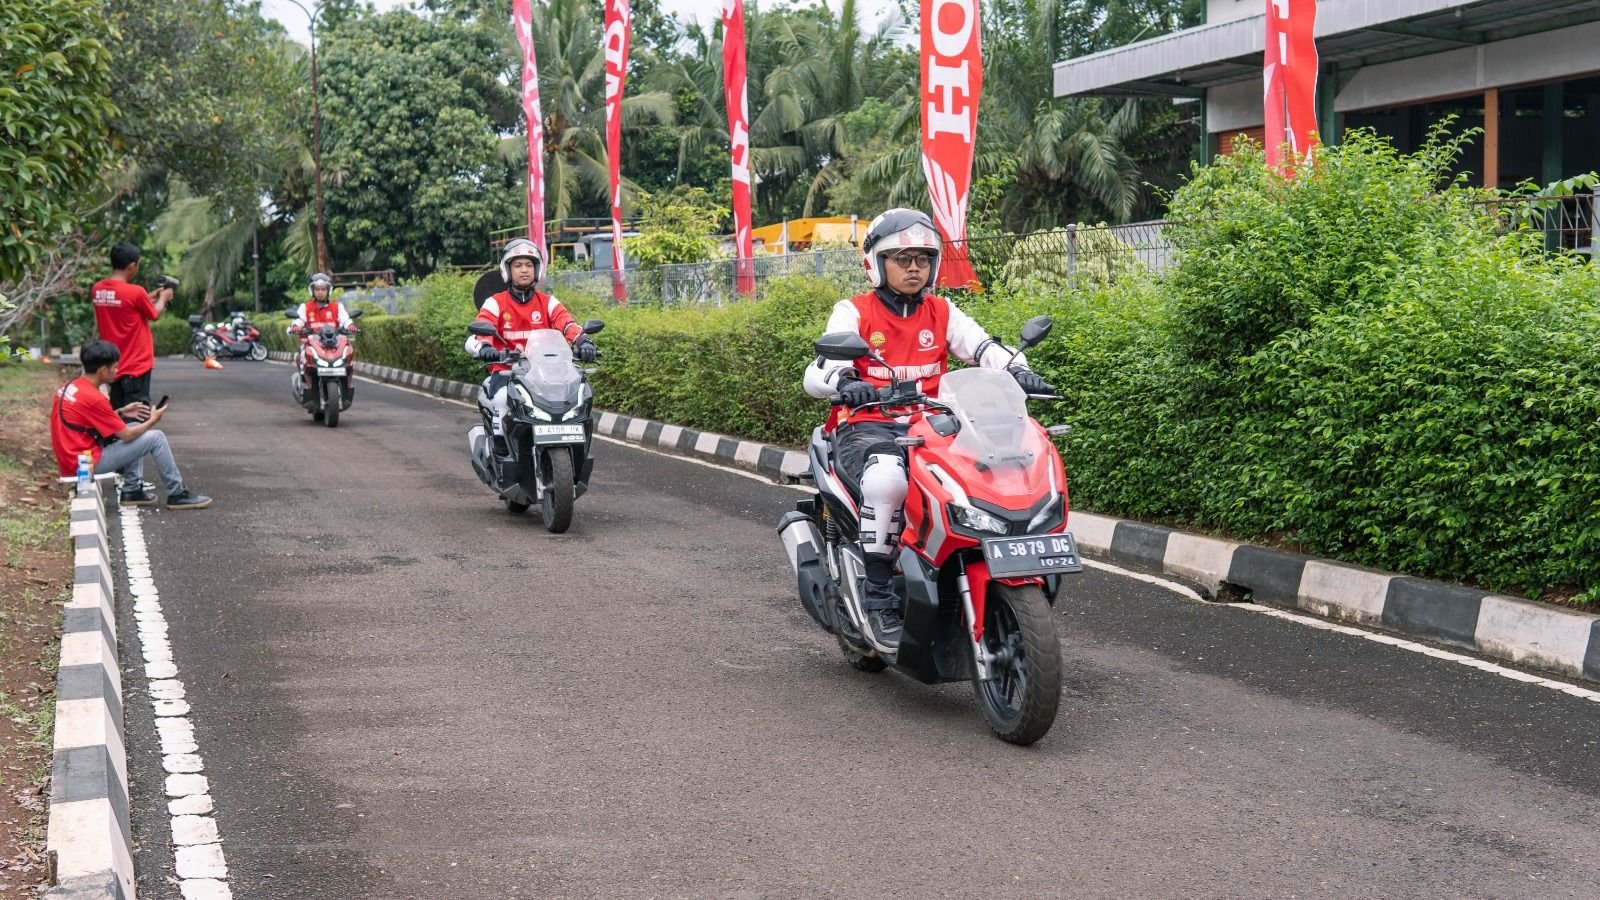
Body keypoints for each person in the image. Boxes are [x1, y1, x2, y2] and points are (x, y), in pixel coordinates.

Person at [802, 209, 1052, 648]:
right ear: (877, 264)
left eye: (922, 257)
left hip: (934, 424)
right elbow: (817, 372)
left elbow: (984, 347)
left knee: (992, 469)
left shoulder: (942, 310)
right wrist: (845, 381)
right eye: (901, 258)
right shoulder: (853, 311)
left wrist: (1019, 371)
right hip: (868, 427)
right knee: (886, 478)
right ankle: (878, 591)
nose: (913, 266)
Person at [464, 239, 598, 453]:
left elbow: (567, 323)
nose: (524, 270)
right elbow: (482, 329)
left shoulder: (548, 302)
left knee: (577, 397)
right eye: (518, 265)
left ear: (537, 269)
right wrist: (486, 348)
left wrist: (583, 341)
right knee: (500, 399)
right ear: (507, 270)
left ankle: (577, 450)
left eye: (529, 265)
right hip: (507, 372)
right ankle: (501, 451)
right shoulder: (495, 303)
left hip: (545, 374)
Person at [50, 341, 212, 509]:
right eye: (115, 367)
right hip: (84, 465)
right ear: (103, 371)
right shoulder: (94, 398)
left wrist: (121, 412)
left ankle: (132, 490)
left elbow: (87, 420)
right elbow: (126, 435)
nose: (117, 371)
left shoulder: (72, 385)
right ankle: (177, 493)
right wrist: (152, 420)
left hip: (73, 457)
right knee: (156, 437)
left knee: (134, 424)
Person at [91, 242, 173, 413]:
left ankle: (118, 440)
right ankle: (136, 439)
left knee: (118, 413)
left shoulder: (98, 289)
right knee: (137, 414)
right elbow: (154, 314)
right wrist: (163, 298)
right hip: (136, 366)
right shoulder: (135, 292)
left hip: (113, 366)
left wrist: (150, 296)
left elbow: (126, 305)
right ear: (132, 266)